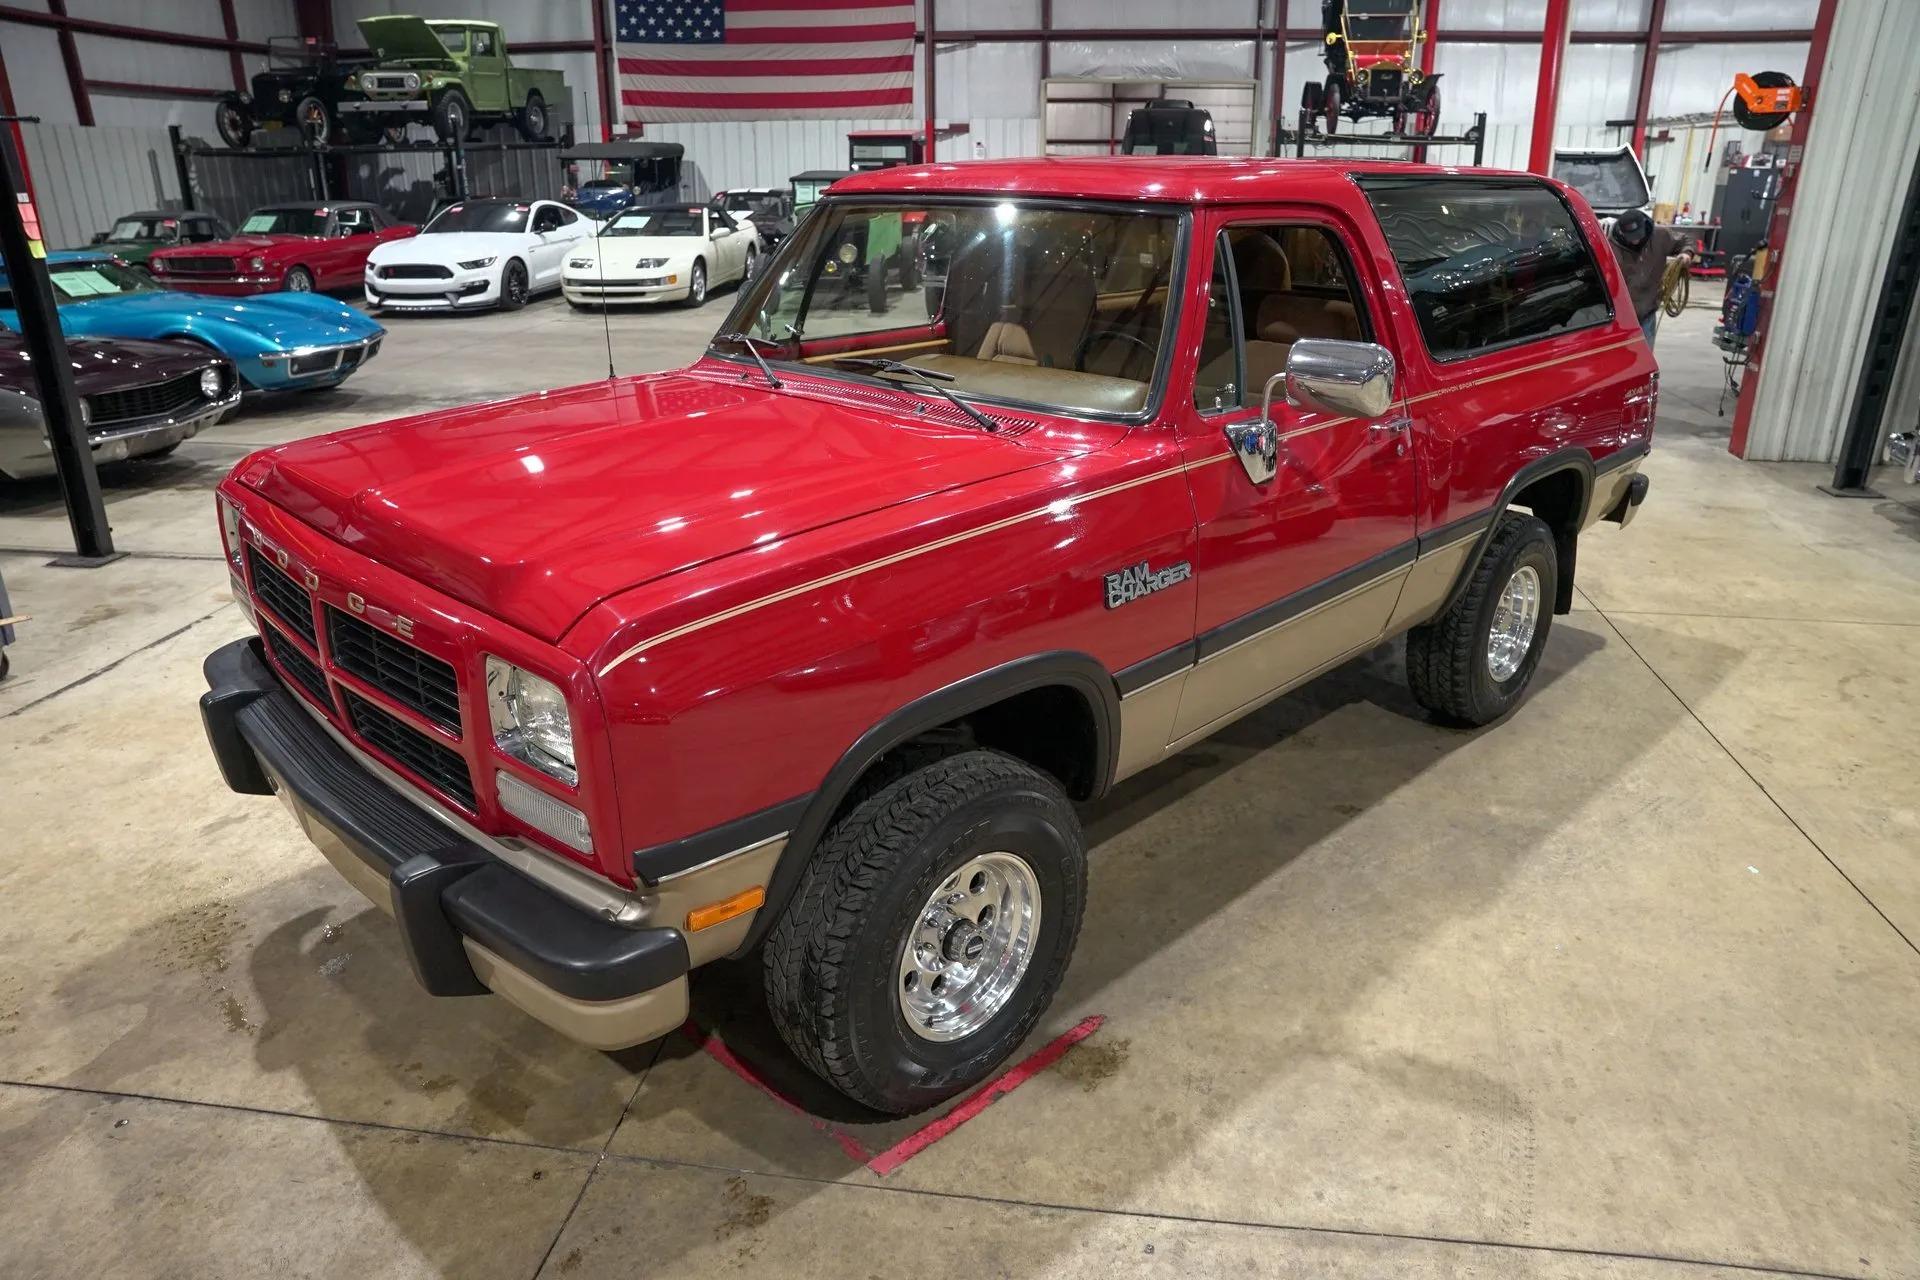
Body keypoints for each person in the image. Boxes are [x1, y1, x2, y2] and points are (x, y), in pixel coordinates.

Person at [1609, 209, 1694, 348]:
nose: (1636, 241)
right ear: (1622, 232)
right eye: (1631, 237)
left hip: (1647, 312)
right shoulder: (1612, 246)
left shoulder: (1660, 235)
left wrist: (1686, 253)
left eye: (1638, 236)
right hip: (1621, 317)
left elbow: (1685, 240)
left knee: (1645, 359)